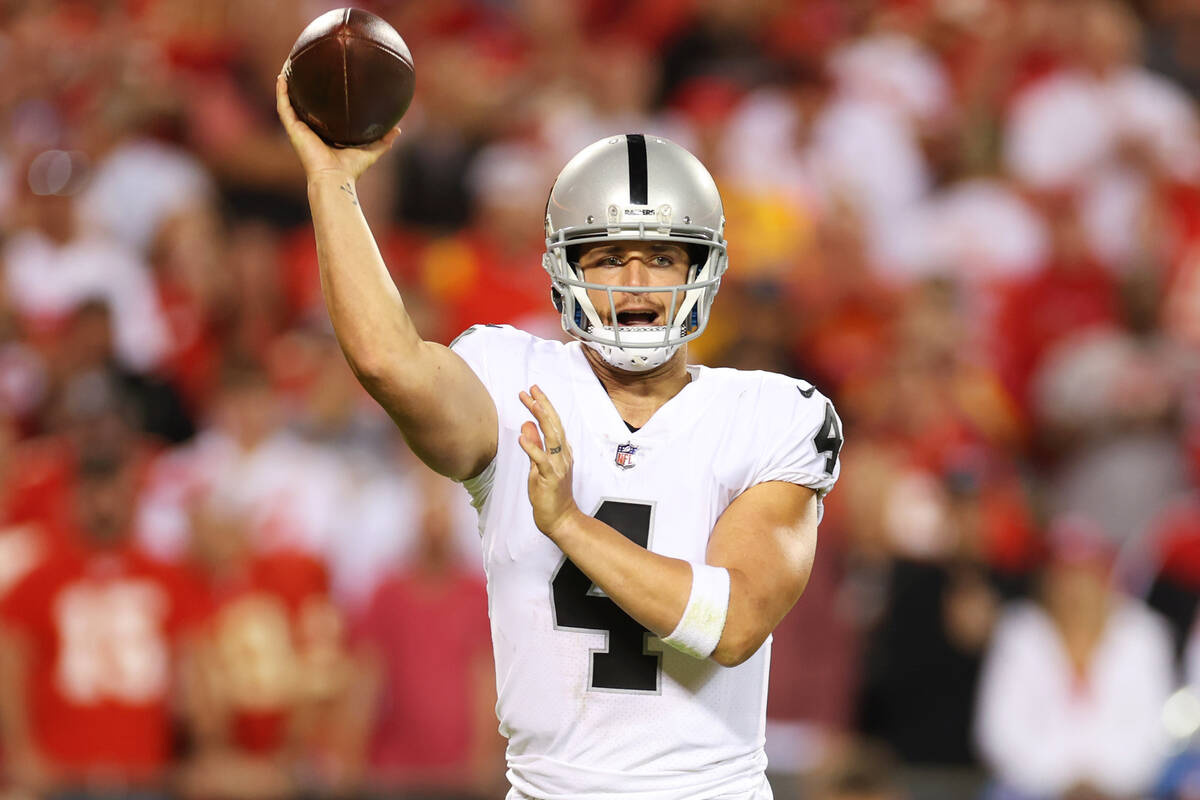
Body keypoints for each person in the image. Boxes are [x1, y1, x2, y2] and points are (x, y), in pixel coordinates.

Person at [276, 70, 843, 799]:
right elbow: (388, 362)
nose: (636, 281)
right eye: (607, 256)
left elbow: (730, 623)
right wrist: (329, 180)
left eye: (662, 256)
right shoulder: (514, 377)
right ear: (563, 269)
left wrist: (568, 523)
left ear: (702, 268)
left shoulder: (774, 414)